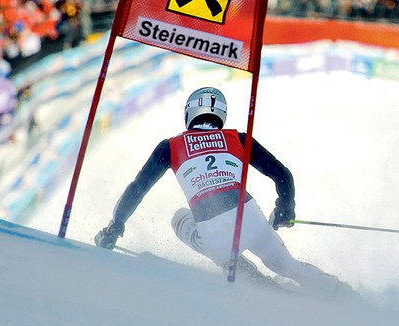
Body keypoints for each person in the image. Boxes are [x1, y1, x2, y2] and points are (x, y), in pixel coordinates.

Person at [94, 86, 349, 296]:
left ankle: (241, 270)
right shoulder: (237, 138)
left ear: (189, 114)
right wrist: (284, 209)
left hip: (211, 228)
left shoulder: (170, 147)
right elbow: (283, 175)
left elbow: (138, 188)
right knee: (287, 266)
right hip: (251, 217)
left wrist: (114, 226)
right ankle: (340, 292)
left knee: (179, 217)